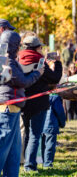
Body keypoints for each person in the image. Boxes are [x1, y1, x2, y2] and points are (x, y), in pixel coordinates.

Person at [0, 31, 43, 177]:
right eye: (18, 45)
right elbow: (22, 81)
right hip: (8, 109)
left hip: (13, 109)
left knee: (14, 151)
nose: (19, 48)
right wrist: (37, 73)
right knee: (2, 147)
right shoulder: (8, 62)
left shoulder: (10, 60)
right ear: (13, 46)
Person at [19, 35, 62, 172]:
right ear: (36, 48)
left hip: (22, 102)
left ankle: (27, 163)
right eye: (40, 47)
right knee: (34, 135)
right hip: (39, 103)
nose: (42, 49)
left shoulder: (17, 59)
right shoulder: (40, 62)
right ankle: (30, 166)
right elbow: (55, 78)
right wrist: (58, 63)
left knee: (27, 134)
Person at [41, 93, 66, 168]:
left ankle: (43, 161)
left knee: (43, 145)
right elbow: (60, 112)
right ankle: (48, 164)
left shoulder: (41, 95)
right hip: (51, 124)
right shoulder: (55, 97)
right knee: (50, 145)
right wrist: (62, 123)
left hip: (41, 124)